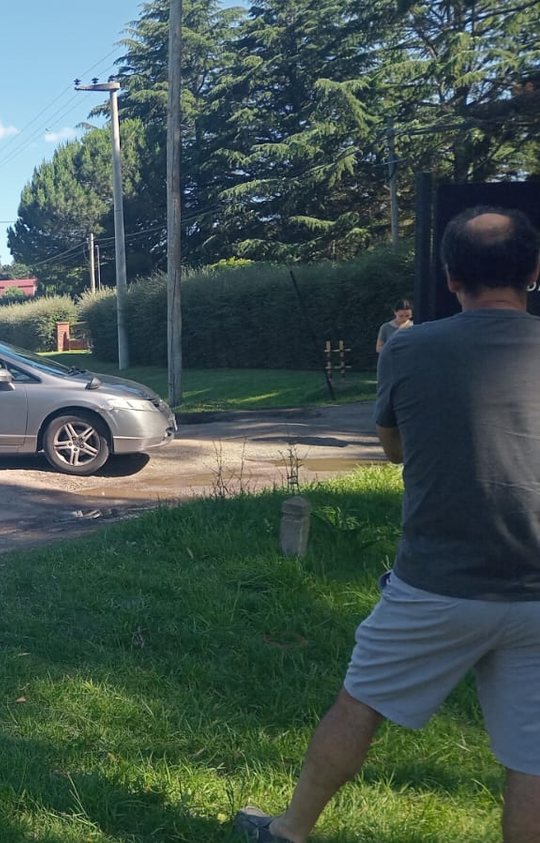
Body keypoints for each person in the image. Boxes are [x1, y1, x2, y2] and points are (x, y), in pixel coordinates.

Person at [233, 206, 540, 843]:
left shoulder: (408, 346)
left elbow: (394, 450)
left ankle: (288, 832)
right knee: (533, 757)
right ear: (534, 272)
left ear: (451, 277)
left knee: (359, 706)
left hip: (435, 583)